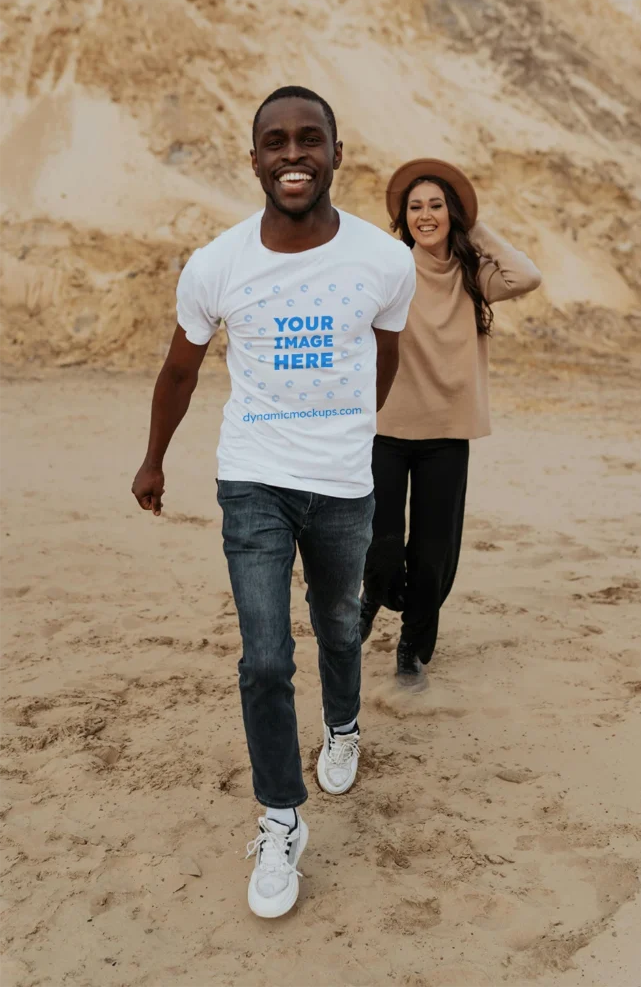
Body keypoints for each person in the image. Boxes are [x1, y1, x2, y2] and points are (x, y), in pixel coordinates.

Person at [131, 87, 415, 918]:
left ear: (336, 152)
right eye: (275, 142)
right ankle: (280, 816)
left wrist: (357, 432)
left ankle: (342, 724)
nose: (293, 155)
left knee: (336, 625)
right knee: (262, 656)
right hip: (251, 476)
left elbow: (383, 359)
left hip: (341, 484)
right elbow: (180, 370)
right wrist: (153, 460)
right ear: (253, 158)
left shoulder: (382, 261)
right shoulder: (216, 263)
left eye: (309, 140)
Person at [360, 158, 541, 684]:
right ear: (404, 217)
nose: (425, 215)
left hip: (447, 433)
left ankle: (411, 649)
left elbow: (526, 275)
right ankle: (372, 592)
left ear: (452, 212)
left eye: (436, 205)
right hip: (387, 429)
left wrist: (474, 225)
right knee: (381, 539)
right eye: (415, 207)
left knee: (433, 551)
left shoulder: (474, 274)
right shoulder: (391, 266)